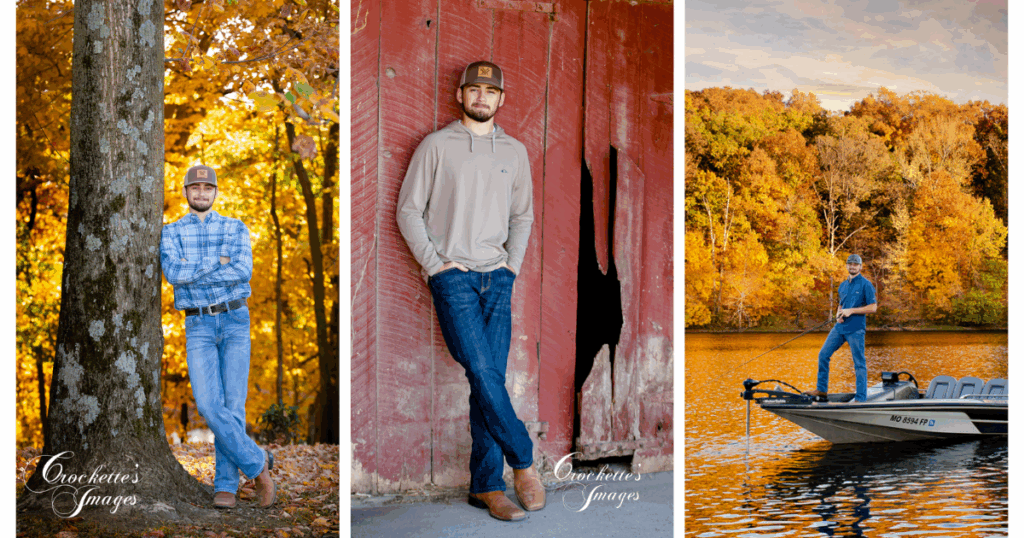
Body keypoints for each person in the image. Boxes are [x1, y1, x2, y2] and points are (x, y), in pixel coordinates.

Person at [395, 60, 544, 522]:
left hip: (497, 276)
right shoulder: (436, 146)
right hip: (453, 277)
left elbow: (522, 216)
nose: (482, 97)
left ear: (502, 99)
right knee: (482, 371)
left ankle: (484, 487)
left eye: (490, 91)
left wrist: (511, 267)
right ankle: (523, 460)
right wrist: (437, 266)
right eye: (474, 89)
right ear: (460, 95)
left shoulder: (515, 152)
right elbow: (408, 210)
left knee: (487, 379)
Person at [160, 165, 276, 509]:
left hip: (236, 319)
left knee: (233, 407)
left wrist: (197, 267)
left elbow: (243, 270)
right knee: (210, 405)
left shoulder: (235, 227)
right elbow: (173, 274)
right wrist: (217, 263)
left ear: (215, 192)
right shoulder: (171, 232)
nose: (200, 193)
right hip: (198, 325)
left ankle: (225, 485)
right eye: (194, 187)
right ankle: (259, 465)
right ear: (184, 192)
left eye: (206, 188)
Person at [806, 254, 878, 402]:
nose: (852, 266)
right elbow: (841, 303)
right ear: (847, 266)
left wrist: (852, 310)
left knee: (859, 363)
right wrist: (839, 313)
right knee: (823, 354)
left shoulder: (866, 284)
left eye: (855, 264)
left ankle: (861, 398)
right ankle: (821, 390)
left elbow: (873, 307)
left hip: (856, 329)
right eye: (850, 264)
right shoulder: (843, 285)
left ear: (860, 267)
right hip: (840, 328)